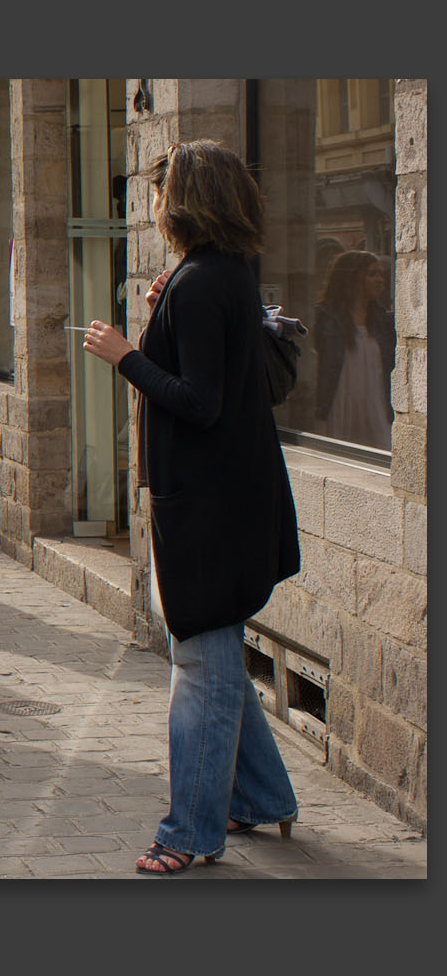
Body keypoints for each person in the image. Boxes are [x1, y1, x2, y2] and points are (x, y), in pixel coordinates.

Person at [81, 139, 300, 876]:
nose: (151, 201)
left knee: (199, 672)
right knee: (215, 660)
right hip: (224, 497)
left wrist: (124, 356)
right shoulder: (217, 276)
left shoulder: (203, 283)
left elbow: (200, 403)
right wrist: (160, 319)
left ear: (183, 200)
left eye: (158, 189)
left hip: (210, 508)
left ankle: (190, 832)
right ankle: (262, 796)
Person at [313, 250, 395, 449]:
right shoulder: (326, 317)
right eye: (372, 274)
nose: (380, 280)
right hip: (340, 402)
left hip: (376, 405)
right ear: (353, 277)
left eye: (381, 274)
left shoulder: (383, 321)